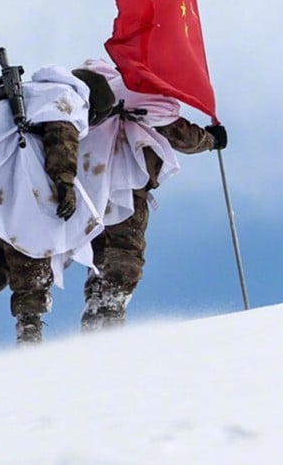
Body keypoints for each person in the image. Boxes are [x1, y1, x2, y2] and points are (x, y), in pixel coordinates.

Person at [0, 62, 112, 346]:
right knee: (34, 253)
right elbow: (61, 136)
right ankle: (29, 333)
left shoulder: (33, 91)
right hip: (20, 183)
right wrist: (64, 182)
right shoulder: (67, 96)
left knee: (0, 255)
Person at [75, 58, 228, 330]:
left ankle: (94, 309)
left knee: (99, 252)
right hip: (126, 182)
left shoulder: (81, 104)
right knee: (125, 248)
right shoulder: (137, 95)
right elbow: (179, 133)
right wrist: (212, 139)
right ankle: (111, 309)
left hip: (86, 190)